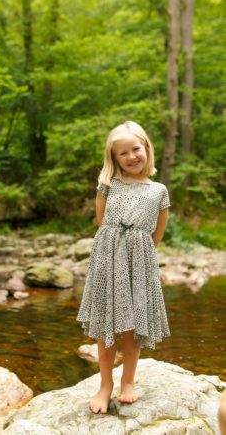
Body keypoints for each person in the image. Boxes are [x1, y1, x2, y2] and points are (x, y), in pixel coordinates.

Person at [76, 120, 171, 414]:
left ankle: (128, 381)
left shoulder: (159, 190)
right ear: (114, 158)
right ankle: (105, 386)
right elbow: (102, 223)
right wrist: (115, 253)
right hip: (108, 259)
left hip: (139, 262)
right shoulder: (108, 185)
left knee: (133, 328)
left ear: (147, 149)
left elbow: (157, 233)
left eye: (136, 149)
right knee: (105, 326)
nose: (131, 157)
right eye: (123, 153)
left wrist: (138, 252)